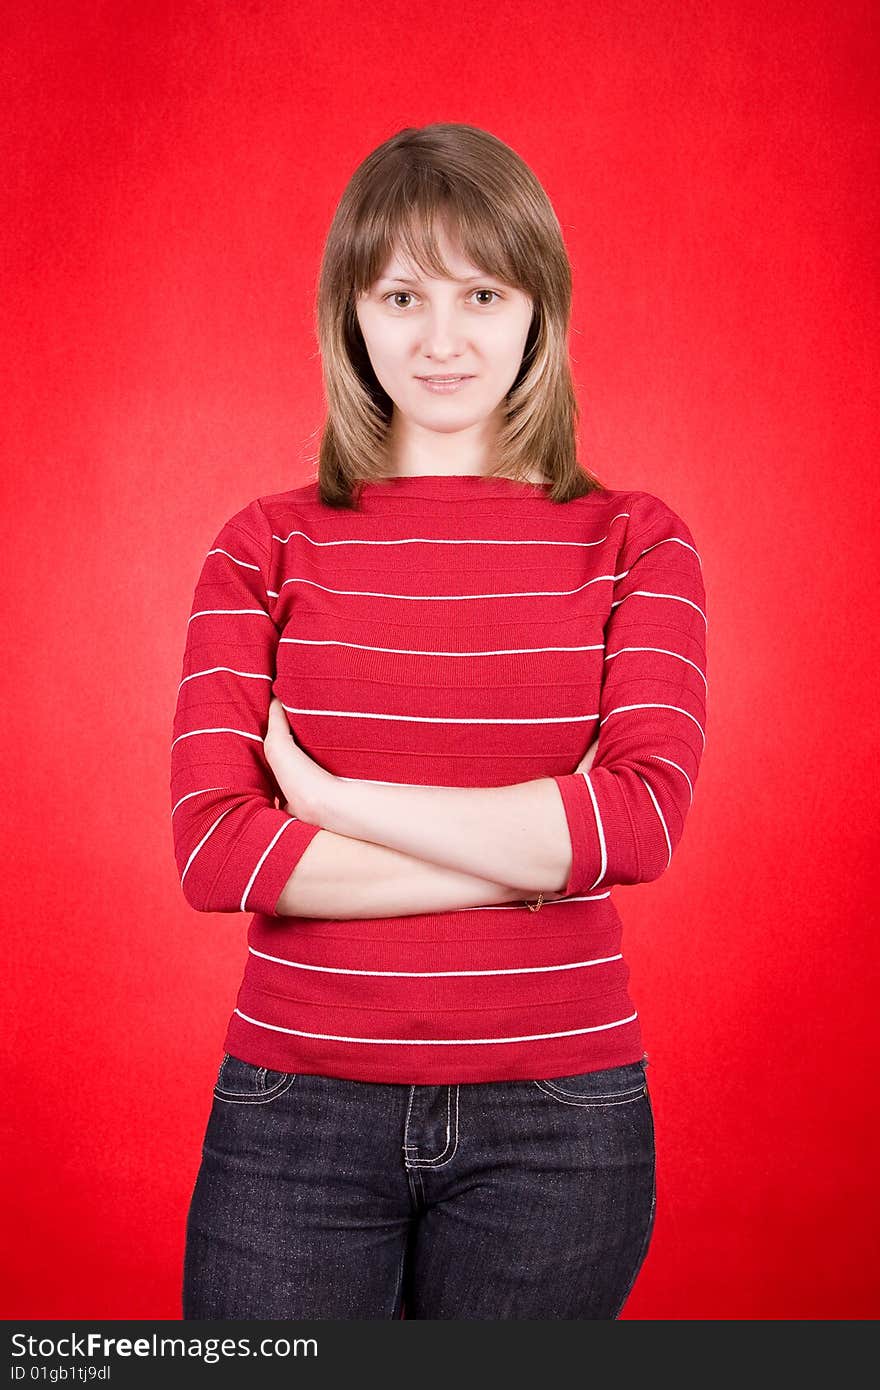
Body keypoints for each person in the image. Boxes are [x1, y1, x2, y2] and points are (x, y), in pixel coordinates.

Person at [171, 122, 708, 1320]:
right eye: (401, 293)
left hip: (560, 1125)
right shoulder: (262, 543)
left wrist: (330, 802)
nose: (443, 337)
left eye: (481, 290)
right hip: (293, 1114)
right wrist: (530, 856)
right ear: (349, 314)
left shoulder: (637, 541)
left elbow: (637, 827)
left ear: (538, 310)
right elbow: (216, 852)